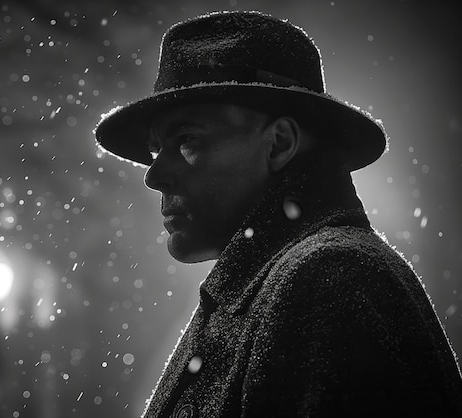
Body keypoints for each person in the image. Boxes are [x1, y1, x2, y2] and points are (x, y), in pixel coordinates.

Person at [94, 11, 462, 418]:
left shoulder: (327, 279)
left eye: (186, 140)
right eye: (154, 149)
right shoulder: (287, 284)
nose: (155, 175)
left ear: (279, 143)